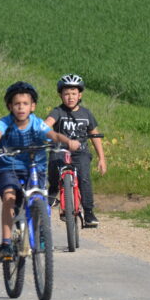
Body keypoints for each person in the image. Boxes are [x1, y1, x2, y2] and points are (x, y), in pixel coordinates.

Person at [0, 82, 79, 261]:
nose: (21, 107)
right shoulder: (5, 123)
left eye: (25, 103)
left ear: (32, 106)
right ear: (10, 106)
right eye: (17, 104)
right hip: (10, 167)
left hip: (35, 168)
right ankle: (5, 243)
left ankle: (42, 232)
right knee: (9, 198)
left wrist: (68, 142)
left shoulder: (37, 123)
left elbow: (53, 135)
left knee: (39, 198)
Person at [44, 74, 107, 227]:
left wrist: (102, 158)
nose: (70, 97)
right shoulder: (58, 111)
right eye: (66, 94)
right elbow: (47, 124)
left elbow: (95, 135)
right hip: (60, 149)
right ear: (60, 95)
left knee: (84, 177)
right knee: (54, 164)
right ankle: (53, 192)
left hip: (81, 152)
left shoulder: (86, 114)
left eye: (73, 93)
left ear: (80, 95)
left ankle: (89, 212)